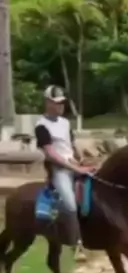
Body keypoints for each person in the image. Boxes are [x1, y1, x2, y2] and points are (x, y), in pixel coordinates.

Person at [34, 85, 87, 262]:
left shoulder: (65, 122)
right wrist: (75, 168)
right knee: (70, 204)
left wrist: (81, 158)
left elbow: (71, 144)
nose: (61, 106)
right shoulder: (41, 126)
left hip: (73, 164)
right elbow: (51, 154)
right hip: (59, 169)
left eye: (62, 102)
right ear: (48, 103)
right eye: (57, 103)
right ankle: (76, 244)